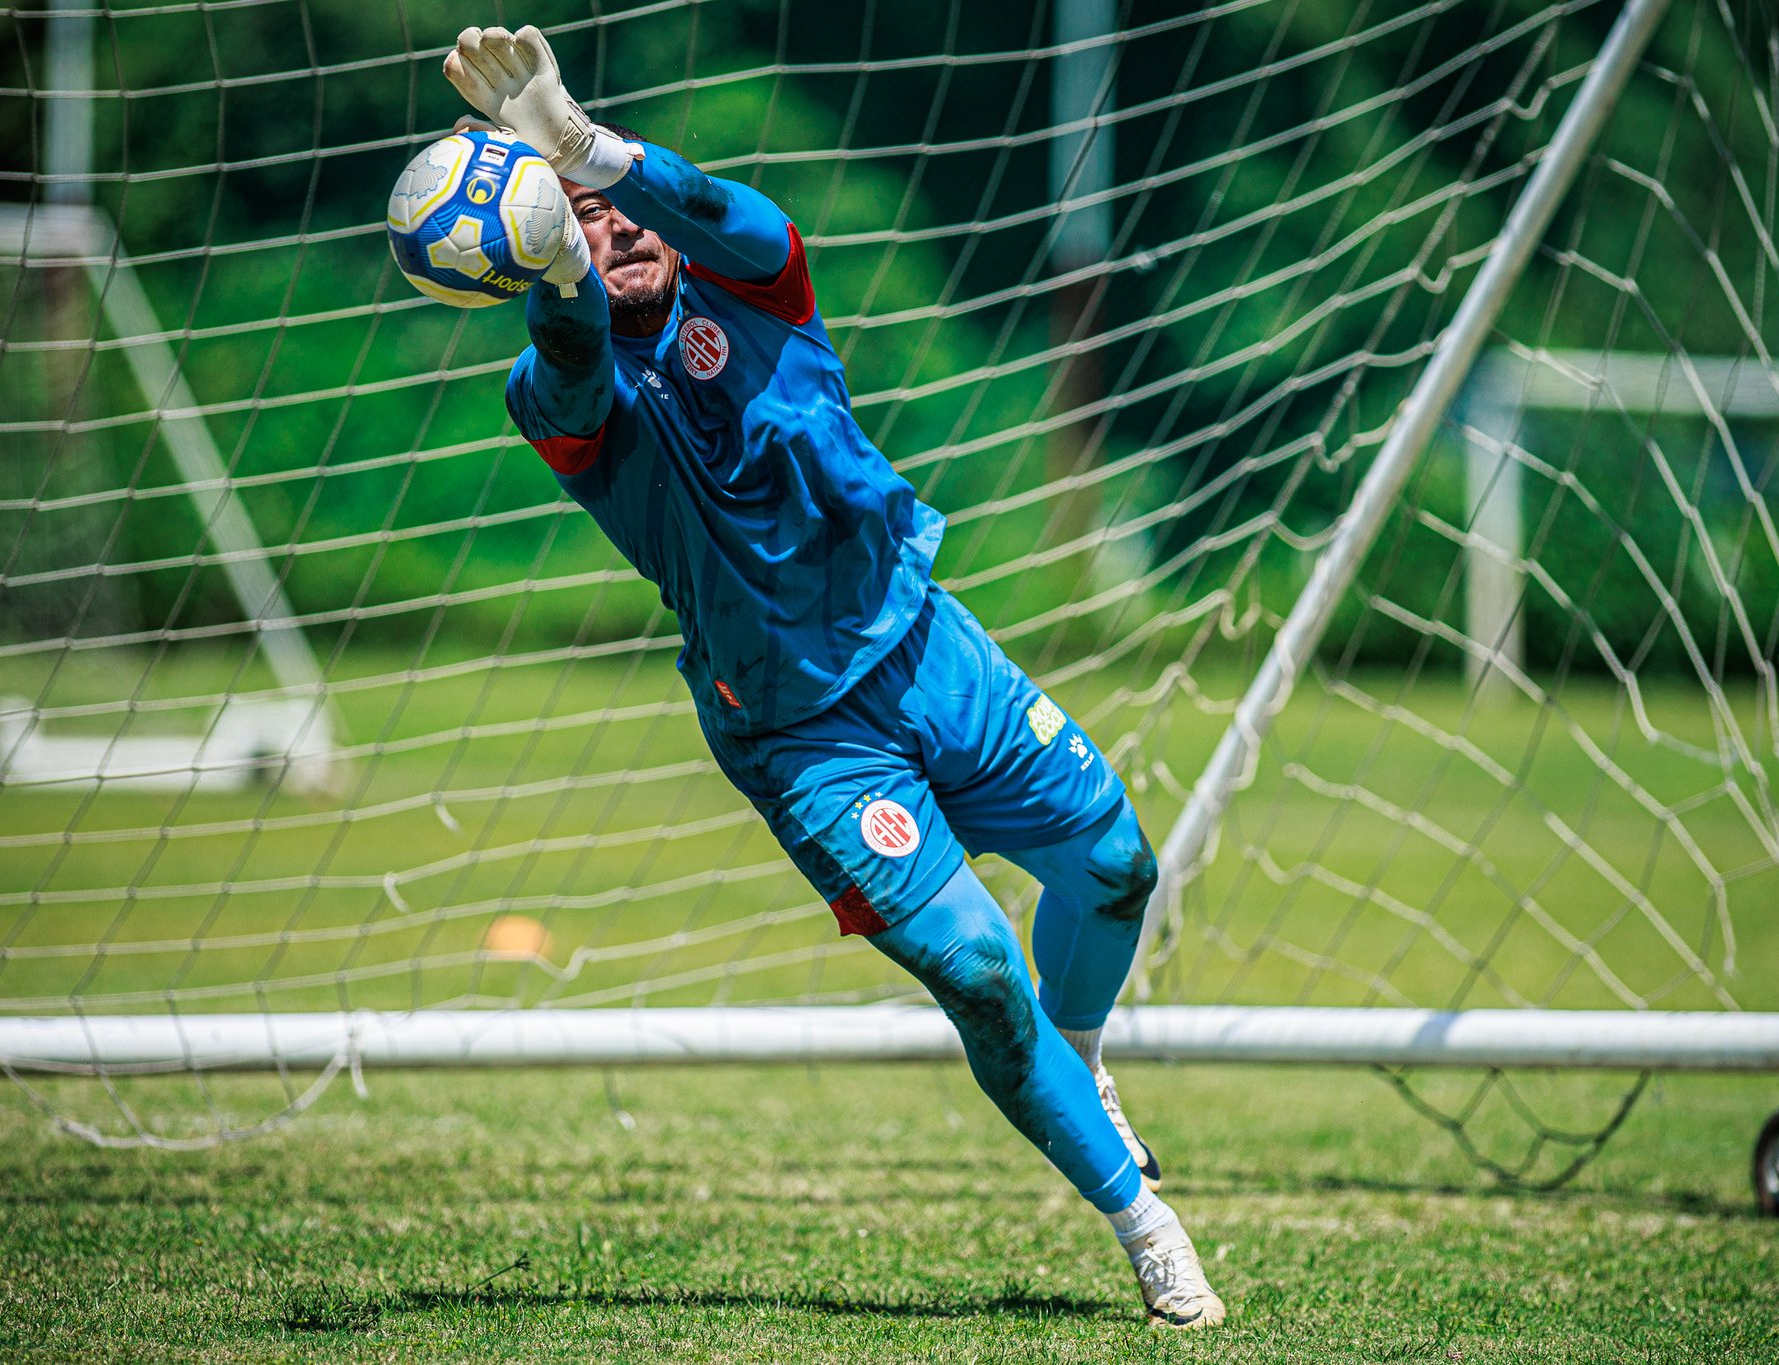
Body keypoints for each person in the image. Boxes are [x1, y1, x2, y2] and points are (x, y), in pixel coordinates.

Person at [443, 24, 1225, 1329]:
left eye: (623, 212)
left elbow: (723, 212)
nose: (618, 230)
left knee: (1119, 865)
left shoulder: (754, 287)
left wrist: (584, 150)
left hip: (927, 645)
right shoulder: (557, 394)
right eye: (578, 220)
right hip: (801, 732)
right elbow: (575, 346)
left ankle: (1076, 1058)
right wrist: (560, 245)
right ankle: (1145, 1227)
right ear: (542, 250)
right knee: (977, 970)